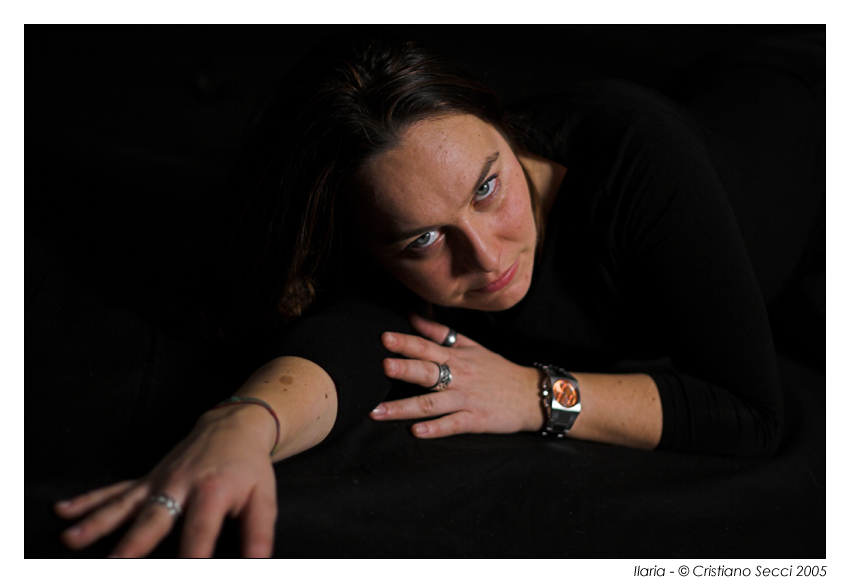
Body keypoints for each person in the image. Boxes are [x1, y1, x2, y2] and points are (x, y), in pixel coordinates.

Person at [53, 31, 825, 558]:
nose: (485, 257)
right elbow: (351, 344)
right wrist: (242, 425)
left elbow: (749, 413)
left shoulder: (637, 162)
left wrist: (535, 394)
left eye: (488, 187)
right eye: (423, 239)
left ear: (501, 124)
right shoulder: (386, 234)